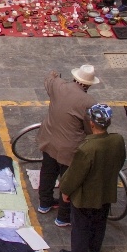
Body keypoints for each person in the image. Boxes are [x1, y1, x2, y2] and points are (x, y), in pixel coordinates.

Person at [58, 104, 126, 252]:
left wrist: (65, 191)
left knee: (80, 226)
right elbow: (120, 161)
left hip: (86, 196)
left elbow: (75, 174)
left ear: (92, 124)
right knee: (99, 221)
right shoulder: (117, 140)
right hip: (106, 190)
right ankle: (94, 248)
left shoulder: (87, 148)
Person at [37, 64, 99, 227]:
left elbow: (49, 79)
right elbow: (89, 128)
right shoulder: (89, 102)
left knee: (47, 172)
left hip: (49, 139)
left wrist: (54, 73)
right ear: (88, 85)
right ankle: (63, 217)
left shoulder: (59, 86)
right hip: (69, 149)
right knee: (67, 181)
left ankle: (44, 203)